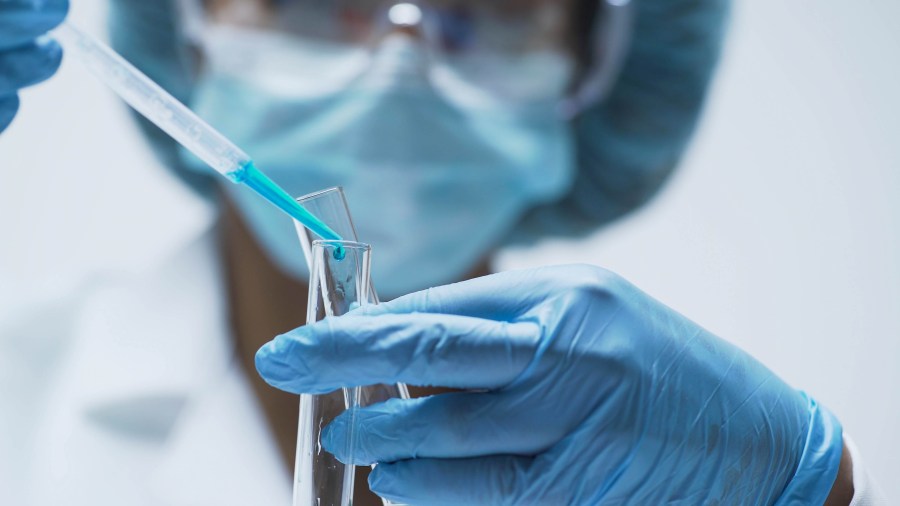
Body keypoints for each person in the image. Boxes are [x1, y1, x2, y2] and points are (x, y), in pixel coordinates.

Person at [0, 0, 884, 504]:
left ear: (594, 64)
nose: (399, 59)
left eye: (492, 3)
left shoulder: (686, 453)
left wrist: (819, 494)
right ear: (187, 33)